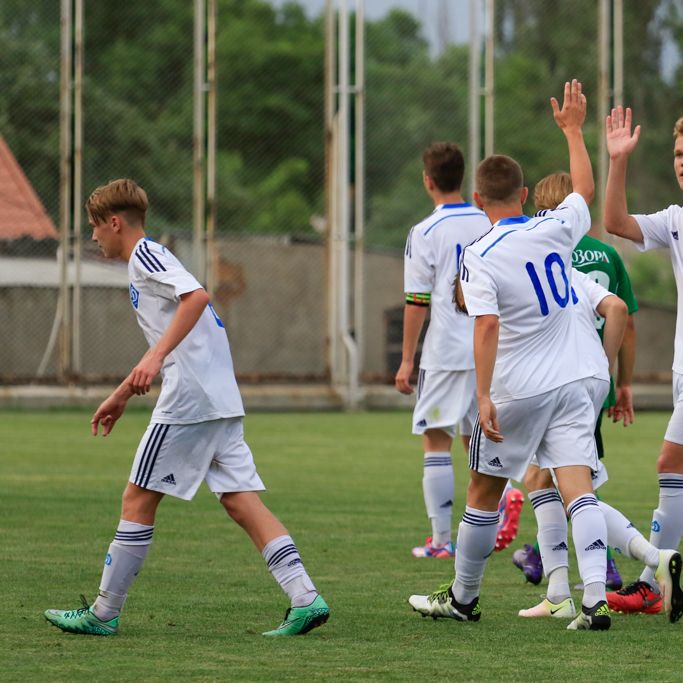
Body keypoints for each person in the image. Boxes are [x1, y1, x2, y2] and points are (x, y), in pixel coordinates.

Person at [407, 80, 681, 630]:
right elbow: (583, 189)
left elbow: (485, 325)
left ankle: (462, 598)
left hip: (520, 387)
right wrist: (575, 133)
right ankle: (594, 600)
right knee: (576, 487)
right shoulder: (555, 229)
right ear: (526, 192)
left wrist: (482, 395)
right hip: (580, 376)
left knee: (484, 490)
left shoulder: (478, 252)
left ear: (479, 200)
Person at [44, 179, 329, 637]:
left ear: (115, 223)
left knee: (137, 497)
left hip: (190, 400)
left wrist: (154, 359)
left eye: (95, 226)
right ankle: (305, 597)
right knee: (240, 501)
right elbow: (180, 330)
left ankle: (103, 613)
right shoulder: (148, 261)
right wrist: (122, 392)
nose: (93, 236)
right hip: (217, 397)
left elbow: (197, 296)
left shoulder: (147, 255)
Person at [512, 171, 639, 590]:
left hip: (555, 377)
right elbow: (625, 317)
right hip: (593, 376)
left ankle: (615, 564)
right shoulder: (606, 254)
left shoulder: (544, 251)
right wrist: (618, 379)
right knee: (558, 477)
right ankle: (550, 566)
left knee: (573, 484)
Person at [394, 142, 512, 559]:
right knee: (476, 441)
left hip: (445, 352)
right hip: (491, 348)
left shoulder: (425, 232)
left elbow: (416, 301)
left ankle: (442, 541)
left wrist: (407, 359)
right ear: (462, 178)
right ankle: (496, 520)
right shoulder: (488, 220)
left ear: (428, 181)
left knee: (436, 440)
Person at [602, 107, 683, 615]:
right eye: (678, 154)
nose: (682, 163)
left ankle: (652, 581)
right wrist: (618, 163)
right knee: (674, 467)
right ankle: (656, 582)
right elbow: (614, 222)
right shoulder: (676, 221)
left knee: (670, 463)